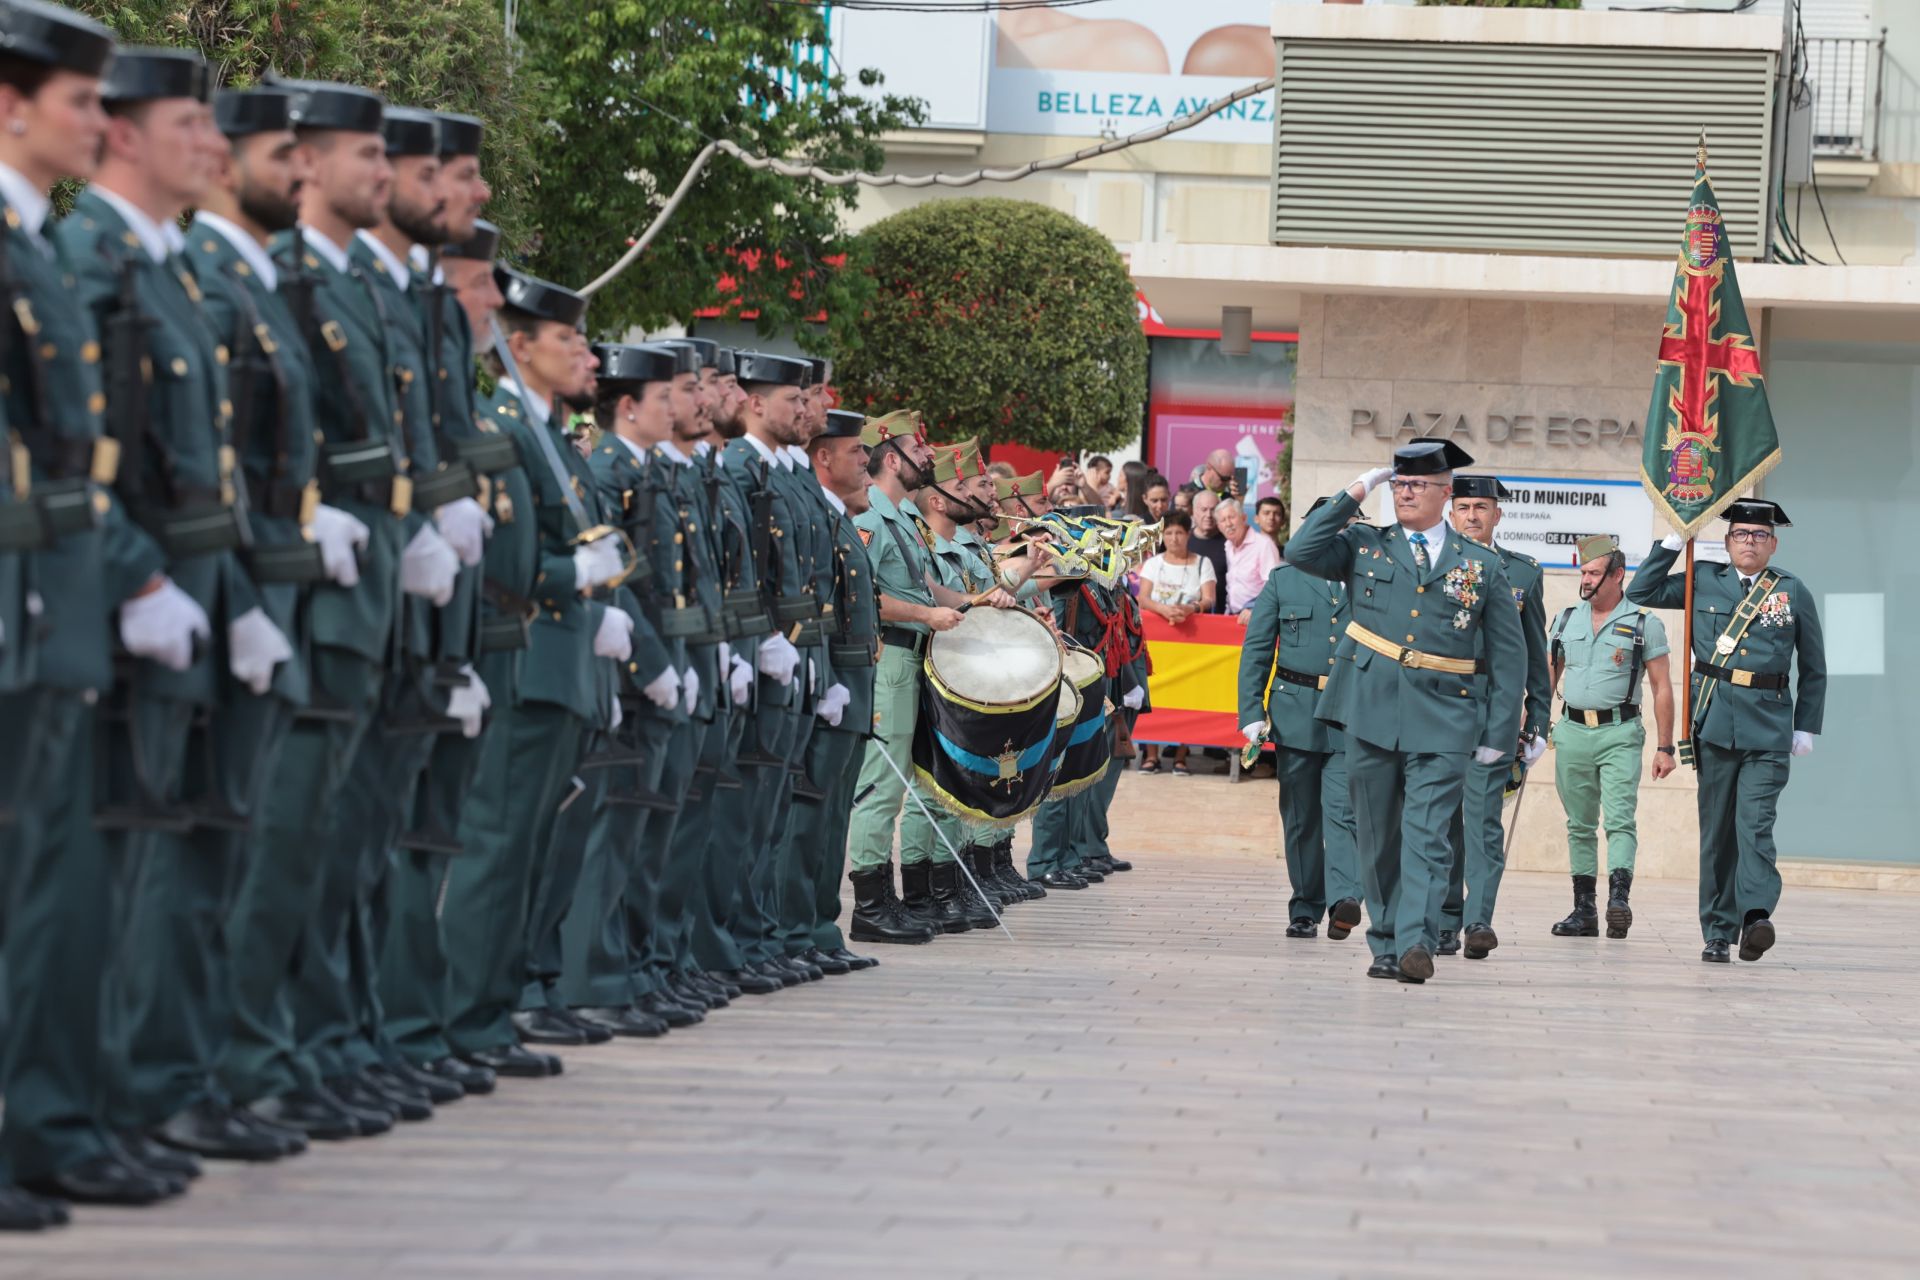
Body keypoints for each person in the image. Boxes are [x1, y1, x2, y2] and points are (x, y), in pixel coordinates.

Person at [67, 46, 294, 1190]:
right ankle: (89, 1111)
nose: (207, 146)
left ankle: (155, 1093)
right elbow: (70, 462)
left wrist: (238, 599)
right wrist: (137, 579)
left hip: (201, 599)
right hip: (124, 610)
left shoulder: (167, 273)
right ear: (122, 134)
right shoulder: (89, 257)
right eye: (189, 125)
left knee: (189, 862)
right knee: (118, 873)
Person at [0, 0, 197, 1220]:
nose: (94, 120)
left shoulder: (34, 249)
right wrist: (132, 570)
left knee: (57, 881)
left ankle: (55, 1122)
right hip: (32, 599)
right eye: (80, 100)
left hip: (57, 608)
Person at [1284, 438, 1526, 983]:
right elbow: (1301, 550)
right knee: (1377, 834)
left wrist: (1501, 732)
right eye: (1400, 484)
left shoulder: (1481, 563)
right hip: (1369, 707)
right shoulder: (1365, 544)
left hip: (1446, 714)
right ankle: (1387, 940)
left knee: (1428, 833)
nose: (1406, 492)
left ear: (1446, 493)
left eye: (1418, 484)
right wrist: (1359, 488)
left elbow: (1510, 658)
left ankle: (1415, 940)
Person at [1627, 499, 1826, 964]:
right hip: (1714, 724)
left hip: (1769, 727)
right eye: (1740, 534)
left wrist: (1806, 727)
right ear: (1728, 540)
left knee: (1755, 826)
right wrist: (1674, 541)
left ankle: (1755, 915)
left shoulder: (1792, 591)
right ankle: (1717, 930)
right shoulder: (1703, 580)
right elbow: (1641, 590)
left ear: (1773, 544)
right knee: (1718, 832)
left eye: (1759, 536)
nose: (1749, 542)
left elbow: (1814, 666)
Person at [844, 411, 985, 942]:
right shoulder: (870, 518)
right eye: (918, 449)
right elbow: (862, 596)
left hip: (916, 660)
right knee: (881, 786)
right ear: (890, 458)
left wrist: (975, 602)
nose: (929, 456)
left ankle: (902, 897)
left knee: (913, 781)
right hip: (891, 663)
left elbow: (928, 588)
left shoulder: (903, 520)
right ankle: (870, 905)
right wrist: (929, 616)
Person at [782, 407, 882, 972]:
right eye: (855, 453)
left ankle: (820, 928)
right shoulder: (818, 515)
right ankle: (796, 931)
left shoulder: (839, 517)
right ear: (823, 458)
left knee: (831, 820)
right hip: (829, 683)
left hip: (851, 687)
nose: (867, 464)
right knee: (807, 821)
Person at [1435, 475, 1550, 961]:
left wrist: (1538, 720)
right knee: (1440, 822)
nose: (1472, 516)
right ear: (1450, 512)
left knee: (1482, 822)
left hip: (1492, 710)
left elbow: (1533, 651)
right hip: (1436, 706)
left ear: (1498, 514)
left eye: (1482, 506)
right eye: (1463, 507)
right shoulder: (1432, 565)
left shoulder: (1521, 573)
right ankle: (1443, 920)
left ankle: (1479, 920)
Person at [1237, 497, 1361, 941]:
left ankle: (1345, 898)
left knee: (1344, 811)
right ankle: (1305, 905)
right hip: (1295, 710)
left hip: (1352, 712)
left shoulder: (1370, 581)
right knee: (1300, 815)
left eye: (1348, 526)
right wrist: (1251, 711)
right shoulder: (1284, 579)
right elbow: (1256, 649)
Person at [1546, 534, 1675, 941]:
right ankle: (1583, 909)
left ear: (1618, 575)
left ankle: (1619, 899)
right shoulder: (1566, 619)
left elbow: (1662, 687)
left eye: (1594, 573)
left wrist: (1666, 746)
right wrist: (1531, 727)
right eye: (1583, 572)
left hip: (1620, 731)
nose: (1586, 580)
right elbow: (1548, 676)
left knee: (1619, 820)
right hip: (1571, 732)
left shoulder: (1643, 622)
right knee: (1579, 824)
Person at [1134, 509, 1213, 777]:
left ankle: (1181, 755)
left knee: (1188, 693)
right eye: (1168, 532)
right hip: (1157, 639)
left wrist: (1191, 608)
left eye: (1179, 532)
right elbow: (1142, 598)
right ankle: (1151, 755)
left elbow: (1208, 598)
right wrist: (1164, 610)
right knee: (1154, 692)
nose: (1174, 538)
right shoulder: (1154, 563)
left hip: (1191, 640)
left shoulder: (1203, 563)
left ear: (1188, 534)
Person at [1218, 496, 1281, 619]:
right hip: (1232, 616)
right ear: (1219, 526)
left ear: (1244, 518)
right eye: (1223, 520)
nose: (1228, 523)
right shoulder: (1228, 546)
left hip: (1257, 617)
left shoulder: (1264, 544)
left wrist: (1255, 609)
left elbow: (1274, 586)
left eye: (1231, 517)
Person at [1188, 489, 1230, 613]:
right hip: (1188, 617)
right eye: (1204, 509)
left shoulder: (1230, 543)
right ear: (1193, 511)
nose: (1209, 515)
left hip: (1221, 617)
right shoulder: (1183, 541)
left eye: (1213, 510)